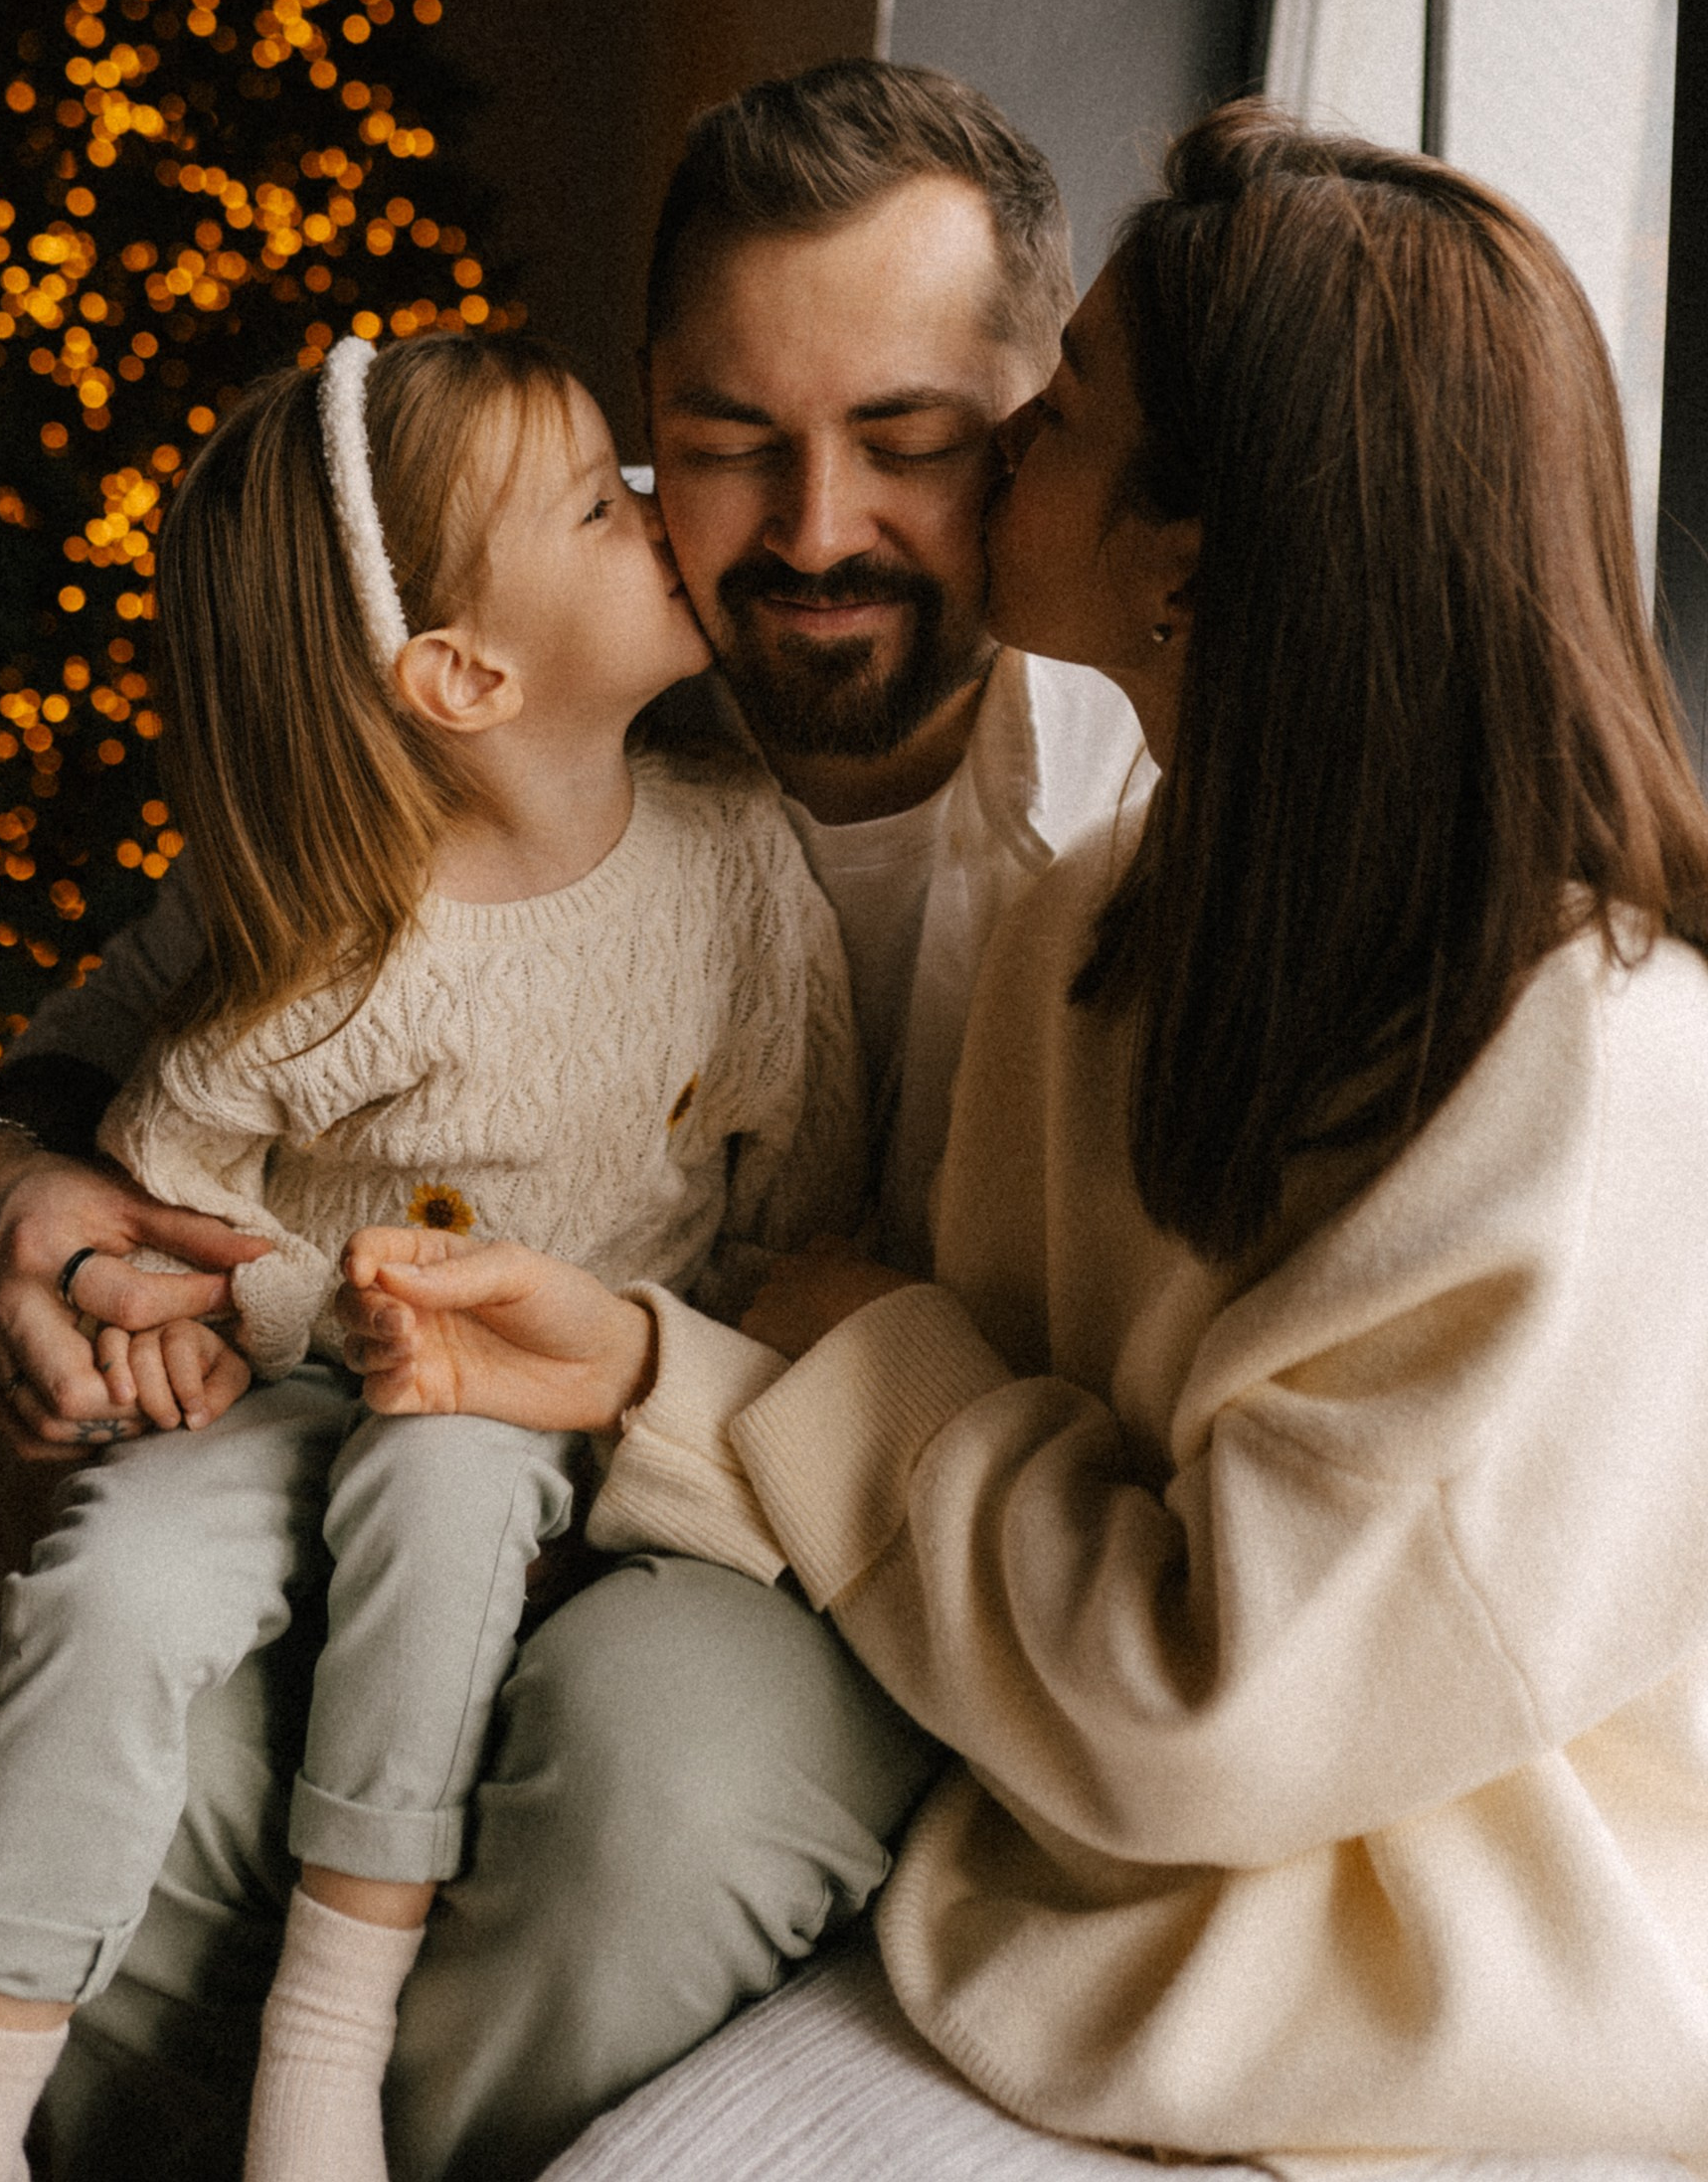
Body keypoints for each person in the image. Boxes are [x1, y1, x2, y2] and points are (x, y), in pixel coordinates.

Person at [349, 104, 1708, 2169]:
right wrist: (660, 1365)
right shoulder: (1111, 925)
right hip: (1095, 1864)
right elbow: (988, 1431)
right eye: (727, 436)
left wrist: (839, 1348)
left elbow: (1198, 1694)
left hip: (1458, 1985)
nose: (982, 476)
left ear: (1186, 551)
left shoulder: (1591, 1066)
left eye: (1037, 417)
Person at [0, 60, 1147, 2179]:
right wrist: (2, 1181)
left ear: (1032, 437)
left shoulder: (1132, 822)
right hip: (396, 1435)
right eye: (723, 445)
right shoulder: (494, 760)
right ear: (641, 423)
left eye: (907, 444)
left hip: (813, 1537)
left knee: (649, 1793)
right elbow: (137, 1025)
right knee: (152, 1742)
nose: (813, 528)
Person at [0, 328, 863, 2182]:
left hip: (580, 1412)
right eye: (606, 497)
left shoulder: (738, 866)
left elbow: (791, 1193)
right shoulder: (339, 929)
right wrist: (169, 1296)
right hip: (302, 1388)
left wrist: (652, 1369)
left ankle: (321, 2066)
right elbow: (164, 1164)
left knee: (446, 1474)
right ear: (464, 671)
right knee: (109, 1588)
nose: (663, 514)